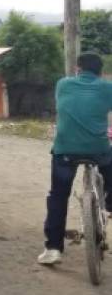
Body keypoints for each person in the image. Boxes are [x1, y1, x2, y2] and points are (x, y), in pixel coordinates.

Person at [38, 52, 112, 265]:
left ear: (78, 69)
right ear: (100, 72)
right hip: (98, 150)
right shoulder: (107, 87)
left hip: (65, 151)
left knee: (58, 196)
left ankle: (53, 248)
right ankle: (110, 204)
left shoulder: (63, 84)